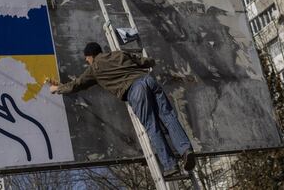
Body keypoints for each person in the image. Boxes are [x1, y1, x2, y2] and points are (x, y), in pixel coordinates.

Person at [49, 42, 195, 178]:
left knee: (152, 126)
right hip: (148, 81)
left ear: (91, 56)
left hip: (135, 90)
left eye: (86, 58)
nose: (87, 61)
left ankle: (170, 165)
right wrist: (151, 61)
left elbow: (76, 85)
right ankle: (186, 150)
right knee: (169, 117)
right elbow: (144, 61)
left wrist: (57, 88)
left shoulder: (94, 69)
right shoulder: (119, 54)